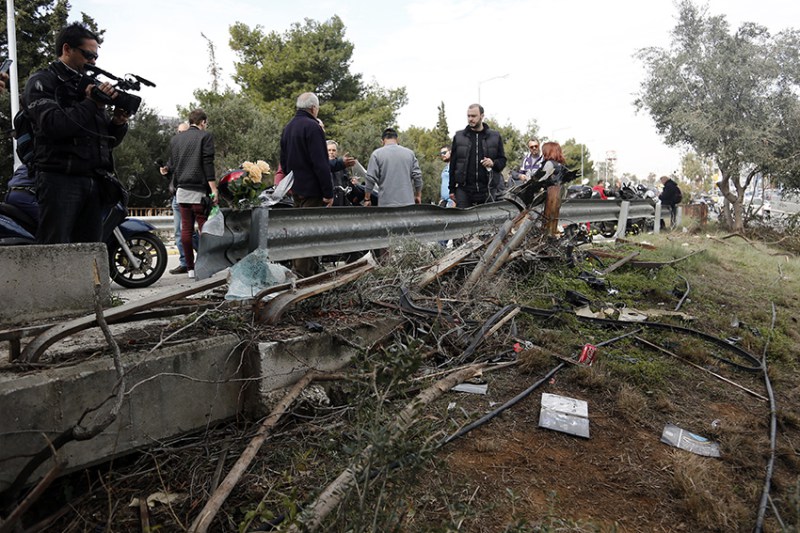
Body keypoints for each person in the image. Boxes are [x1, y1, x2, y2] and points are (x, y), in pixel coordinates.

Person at [23, 22, 130, 244]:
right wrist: (92, 103)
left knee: (89, 252)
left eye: (96, 57)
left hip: (93, 180)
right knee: (56, 250)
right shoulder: (43, 81)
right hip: (59, 179)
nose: (92, 62)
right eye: (88, 55)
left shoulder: (88, 85)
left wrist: (118, 123)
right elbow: (54, 125)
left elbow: (104, 141)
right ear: (66, 49)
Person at [280, 92, 333, 277]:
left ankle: (307, 269)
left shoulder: (288, 128)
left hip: (296, 188)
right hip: (313, 190)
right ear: (313, 108)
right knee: (310, 232)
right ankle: (303, 273)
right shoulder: (313, 127)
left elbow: (284, 163)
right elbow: (321, 163)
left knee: (298, 230)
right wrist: (328, 192)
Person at [160, 109, 217, 279]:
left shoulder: (176, 139)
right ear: (203, 122)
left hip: (181, 190)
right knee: (204, 228)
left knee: (185, 229)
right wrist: (213, 188)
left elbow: (175, 165)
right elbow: (208, 163)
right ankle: (206, 265)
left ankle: (190, 269)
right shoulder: (205, 137)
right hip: (198, 189)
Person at [448, 104, 507, 207]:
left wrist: (493, 163)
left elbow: (502, 161)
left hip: (488, 190)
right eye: (468, 116)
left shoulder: (495, 136)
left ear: (482, 116)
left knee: (489, 221)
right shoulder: (459, 137)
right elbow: (453, 165)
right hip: (464, 190)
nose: (470, 119)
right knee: (463, 222)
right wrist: (451, 189)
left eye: (474, 116)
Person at [161, 121, 198, 275]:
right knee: (179, 231)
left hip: (190, 195)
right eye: (178, 132)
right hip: (177, 194)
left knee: (188, 231)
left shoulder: (192, 151)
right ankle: (185, 262)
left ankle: (203, 256)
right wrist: (166, 170)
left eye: (183, 132)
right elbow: (173, 173)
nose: (180, 136)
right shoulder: (175, 151)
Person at [364, 128, 422, 207]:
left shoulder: (376, 154)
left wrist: (367, 199)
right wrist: (418, 195)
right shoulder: (410, 154)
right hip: (408, 204)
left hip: (386, 205)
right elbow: (417, 176)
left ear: (382, 141)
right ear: (397, 139)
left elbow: (370, 178)